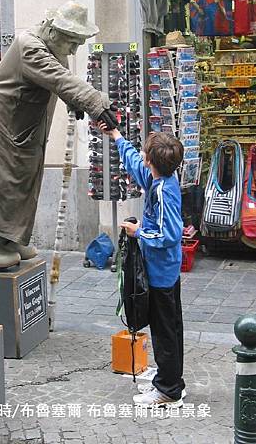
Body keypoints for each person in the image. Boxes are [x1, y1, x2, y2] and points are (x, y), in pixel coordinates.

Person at [0, 1, 118, 268]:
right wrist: (94, 103)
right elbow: (57, 78)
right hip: (2, 121)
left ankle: (10, 239)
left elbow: (62, 78)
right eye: (73, 43)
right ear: (56, 33)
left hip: (24, 123)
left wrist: (75, 102)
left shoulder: (55, 46)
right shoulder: (29, 46)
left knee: (22, 180)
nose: (74, 49)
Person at [99, 123, 185, 408]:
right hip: (165, 269)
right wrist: (116, 135)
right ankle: (171, 380)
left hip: (162, 272)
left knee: (165, 332)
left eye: (145, 155)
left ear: (152, 161)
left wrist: (139, 233)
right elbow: (135, 165)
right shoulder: (159, 180)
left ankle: (168, 390)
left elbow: (170, 234)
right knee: (170, 327)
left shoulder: (163, 191)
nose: (142, 160)